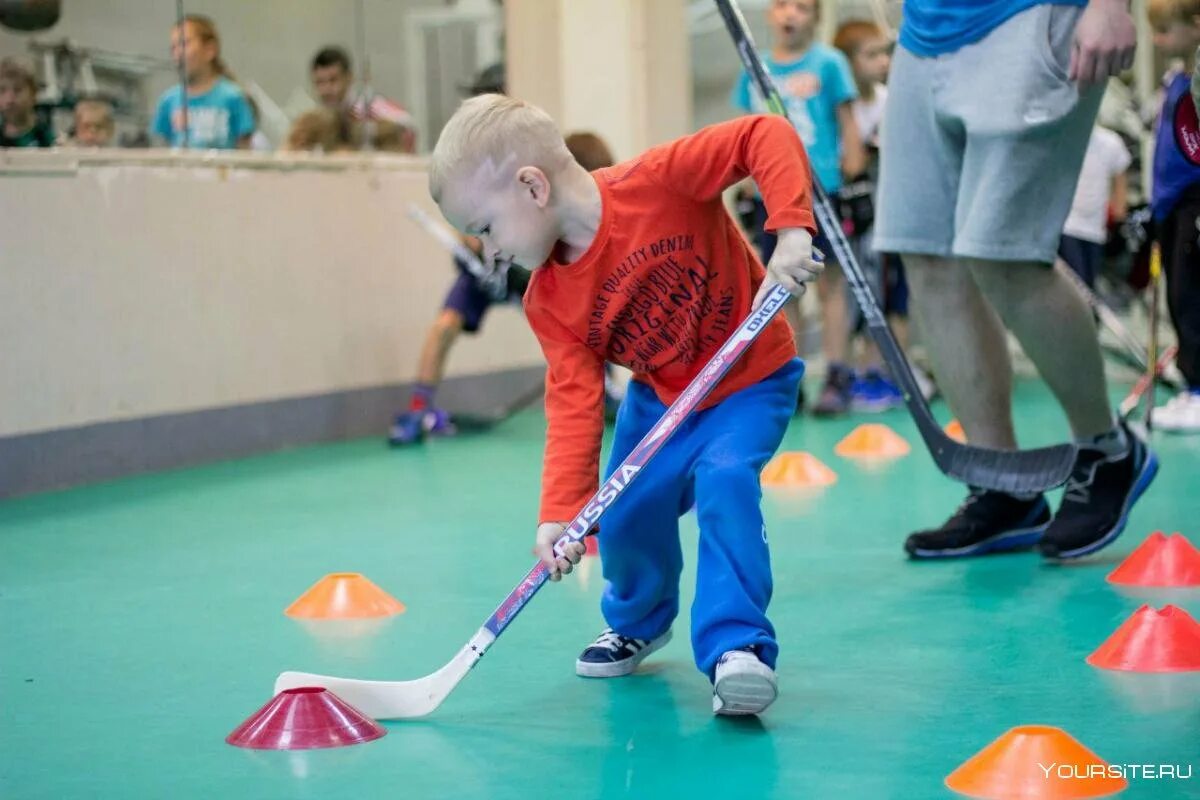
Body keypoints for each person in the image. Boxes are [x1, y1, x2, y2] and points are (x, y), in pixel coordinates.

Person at [429, 94, 822, 715]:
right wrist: (561, 514)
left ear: (532, 187)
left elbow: (764, 134)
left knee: (725, 481)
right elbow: (573, 403)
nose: (489, 253)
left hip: (751, 379)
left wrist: (792, 229)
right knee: (627, 506)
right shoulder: (548, 299)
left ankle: (736, 649)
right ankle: (639, 620)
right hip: (661, 398)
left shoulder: (660, 180)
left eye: (486, 229)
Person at [874, 0, 1157, 560]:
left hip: (1033, 20)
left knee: (1005, 255)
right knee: (926, 256)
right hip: (923, 33)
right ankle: (1001, 484)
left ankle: (1105, 447)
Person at [389, 129, 618, 445]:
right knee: (444, 326)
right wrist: (474, 243)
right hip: (481, 271)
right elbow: (466, 227)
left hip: (522, 268)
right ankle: (418, 409)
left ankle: (605, 388)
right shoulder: (480, 179)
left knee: (576, 320)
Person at [733, 0, 865, 416]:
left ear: (815, 17)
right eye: (783, 6)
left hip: (821, 191)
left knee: (831, 286)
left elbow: (848, 125)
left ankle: (838, 374)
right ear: (771, 14)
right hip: (770, 197)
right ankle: (792, 379)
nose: (791, 15)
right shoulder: (753, 68)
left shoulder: (829, 64)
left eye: (803, 8)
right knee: (781, 289)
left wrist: (851, 174)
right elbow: (743, 135)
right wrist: (749, 188)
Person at [832, 19, 926, 412]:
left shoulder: (891, 101)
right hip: (857, 219)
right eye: (872, 55)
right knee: (861, 291)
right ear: (849, 64)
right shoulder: (841, 110)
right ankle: (865, 369)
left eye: (885, 53)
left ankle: (893, 370)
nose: (883, 62)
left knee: (894, 293)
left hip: (893, 214)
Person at [1148, 0, 1200, 432]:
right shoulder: (1175, 82)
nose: (1157, 41)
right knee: (1178, 297)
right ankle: (1192, 386)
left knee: (1192, 297)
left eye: (1165, 31)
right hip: (1170, 205)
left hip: (1193, 203)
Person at [151, 15, 255, 150]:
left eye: (184, 44)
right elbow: (161, 151)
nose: (178, 54)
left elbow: (245, 151)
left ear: (210, 49)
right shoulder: (168, 101)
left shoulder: (234, 97)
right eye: (173, 48)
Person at [1059, 125, 1130, 288]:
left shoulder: (1111, 143)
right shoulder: (1064, 138)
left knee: (1088, 288)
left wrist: (1119, 224)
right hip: (1067, 226)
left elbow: (1120, 183)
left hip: (1095, 231)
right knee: (1077, 287)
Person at [310, 46, 416, 153]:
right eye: (320, 82)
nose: (326, 89)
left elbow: (407, 122)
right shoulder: (318, 116)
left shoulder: (366, 105)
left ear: (349, 77)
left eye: (333, 80)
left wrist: (369, 130)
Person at [0, 57, 53, 147]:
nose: (9, 99)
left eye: (17, 90)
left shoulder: (44, 136)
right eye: (2, 90)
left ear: (33, 94)